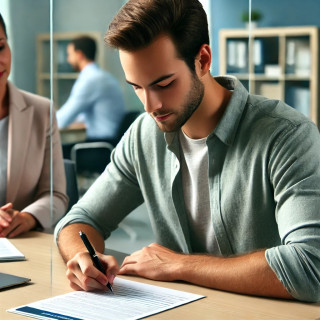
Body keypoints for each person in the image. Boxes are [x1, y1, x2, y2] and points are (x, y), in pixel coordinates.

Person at [54, 0, 320, 302]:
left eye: (164, 83)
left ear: (203, 60)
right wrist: (83, 258)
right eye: (137, 87)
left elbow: (311, 266)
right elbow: (80, 219)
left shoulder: (287, 136)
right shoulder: (143, 135)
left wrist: (181, 265)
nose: (149, 105)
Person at [0, 14, 68, 238]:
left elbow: (56, 194)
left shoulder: (42, 111)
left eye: (0, 47)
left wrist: (28, 217)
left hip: (22, 245)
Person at [56, 36, 126, 142]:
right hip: (110, 142)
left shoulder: (90, 80)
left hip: (101, 145)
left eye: (69, 55)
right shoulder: (102, 76)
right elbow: (82, 115)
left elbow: (61, 121)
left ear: (79, 55)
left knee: (55, 153)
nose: (68, 60)